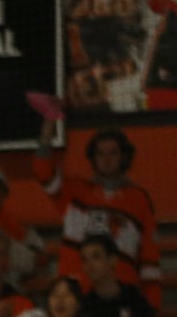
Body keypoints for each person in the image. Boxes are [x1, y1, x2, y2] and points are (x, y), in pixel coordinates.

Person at [36, 120, 162, 306]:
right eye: (100, 153)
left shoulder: (139, 199)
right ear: (92, 158)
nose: (106, 159)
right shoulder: (74, 191)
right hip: (75, 295)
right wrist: (46, 134)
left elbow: (149, 258)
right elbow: (43, 173)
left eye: (113, 153)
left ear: (124, 157)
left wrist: (152, 306)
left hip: (119, 297)